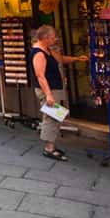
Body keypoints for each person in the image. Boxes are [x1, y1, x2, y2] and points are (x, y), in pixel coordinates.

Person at [30, 25, 87, 161]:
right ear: (45, 38)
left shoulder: (47, 49)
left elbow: (60, 59)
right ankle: (49, 148)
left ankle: (51, 145)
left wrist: (77, 59)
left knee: (56, 116)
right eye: (53, 37)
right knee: (51, 117)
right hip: (47, 90)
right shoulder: (39, 53)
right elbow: (40, 76)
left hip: (54, 88)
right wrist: (48, 94)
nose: (55, 39)